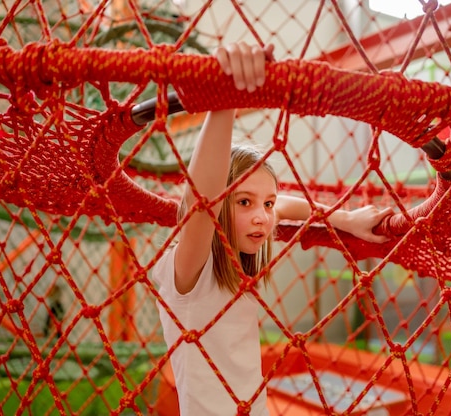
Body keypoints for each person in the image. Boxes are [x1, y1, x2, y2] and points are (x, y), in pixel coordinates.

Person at [152, 42, 393, 416]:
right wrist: (224, 99)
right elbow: (202, 202)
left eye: (264, 203)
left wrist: (344, 219)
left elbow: (285, 205)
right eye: (244, 202)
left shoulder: (247, 249)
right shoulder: (189, 271)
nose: (263, 216)